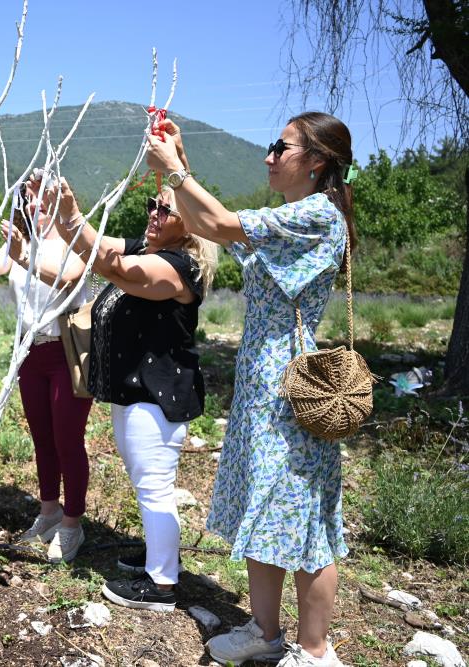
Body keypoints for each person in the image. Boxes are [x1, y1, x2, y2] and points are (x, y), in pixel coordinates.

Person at [146, 112, 355, 667]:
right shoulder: (290, 213)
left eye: (279, 147)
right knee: (262, 511)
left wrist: (174, 171)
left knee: (306, 519)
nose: (268, 156)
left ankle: (314, 652)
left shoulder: (316, 216)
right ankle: (265, 633)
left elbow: (215, 224)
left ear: (316, 161)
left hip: (291, 388)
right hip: (262, 383)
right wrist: (178, 169)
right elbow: (208, 223)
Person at [43, 172, 216, 610]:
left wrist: (72, 213)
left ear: (191, 224)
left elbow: (111, 265)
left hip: (157, 397)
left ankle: (161, 586)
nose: (154, 214)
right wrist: (63, 211)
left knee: (154, 485)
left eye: (166, 209)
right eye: (152, 206)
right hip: (138, 394)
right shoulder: (151, 249)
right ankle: (162, 556)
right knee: (148, 483)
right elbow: (93, 245)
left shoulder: (179, 267)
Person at [0, 179, 93, 563]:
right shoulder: (19, 241)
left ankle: (73, 524)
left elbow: (68, 276)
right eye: (26, 196)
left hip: (67, 351)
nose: (33, 202)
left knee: (67, 439)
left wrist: (24, 256)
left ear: (58, 198)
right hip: (29, 352)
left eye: (40, 194)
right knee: (42, 437)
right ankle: (49, 511)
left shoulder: (76, 238)